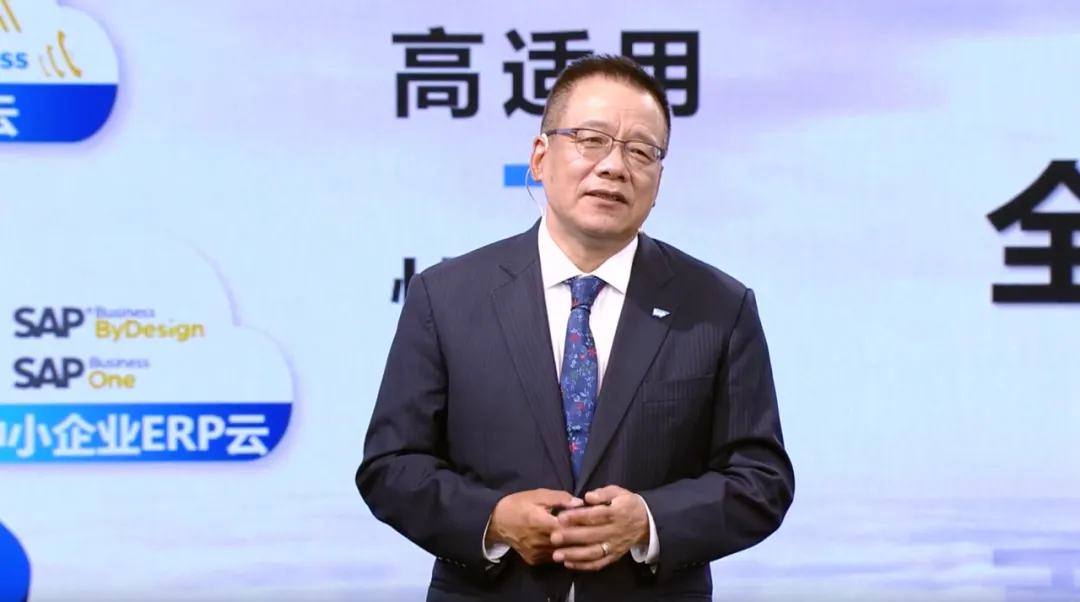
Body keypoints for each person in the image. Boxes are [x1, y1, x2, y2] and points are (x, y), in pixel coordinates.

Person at [356, 53, 795, 602]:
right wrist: (493, 520)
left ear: (659, 181)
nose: (614, 166)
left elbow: (761, 480)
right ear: (540, 157)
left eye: (641, 151)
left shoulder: (717, 307)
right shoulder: (445, 297)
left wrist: (649, 521)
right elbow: (391, 466)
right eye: (591, 140)